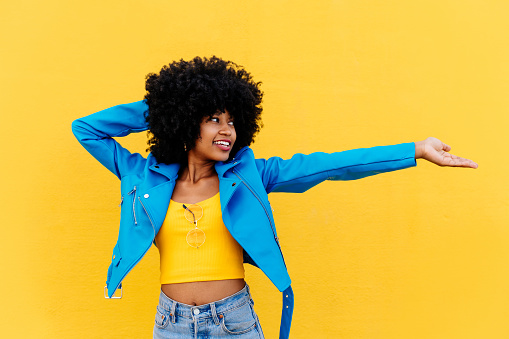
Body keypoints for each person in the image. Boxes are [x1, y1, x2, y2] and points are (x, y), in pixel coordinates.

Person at [71, 56, 477, 339]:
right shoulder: (142, 177)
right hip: (170, 323)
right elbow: (86, 128)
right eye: (213, 118)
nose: (226, 130)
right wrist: (165, 107)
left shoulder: (252, 175)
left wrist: (415, 150)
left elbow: (331, 165)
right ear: (184, 120)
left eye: (232, 121)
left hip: (233, 321)